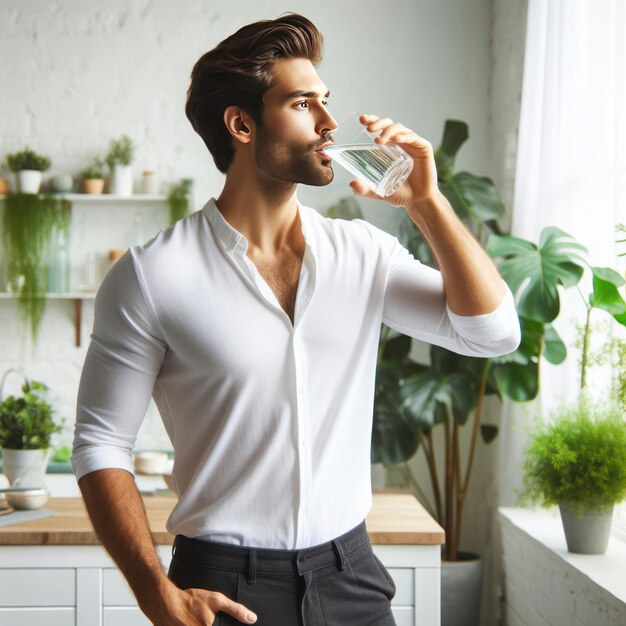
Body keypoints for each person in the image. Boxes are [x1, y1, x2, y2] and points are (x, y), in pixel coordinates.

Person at [71, 12, 521, 626]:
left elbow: (493, 332)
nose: (330, 124)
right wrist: (155, 590)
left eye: (326, 101)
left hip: (352, 576)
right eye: (304, 103)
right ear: (241, 124)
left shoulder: (363, 254)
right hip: (222, 587)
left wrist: (427, 203)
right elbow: (101, 444)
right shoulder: (151, 277)